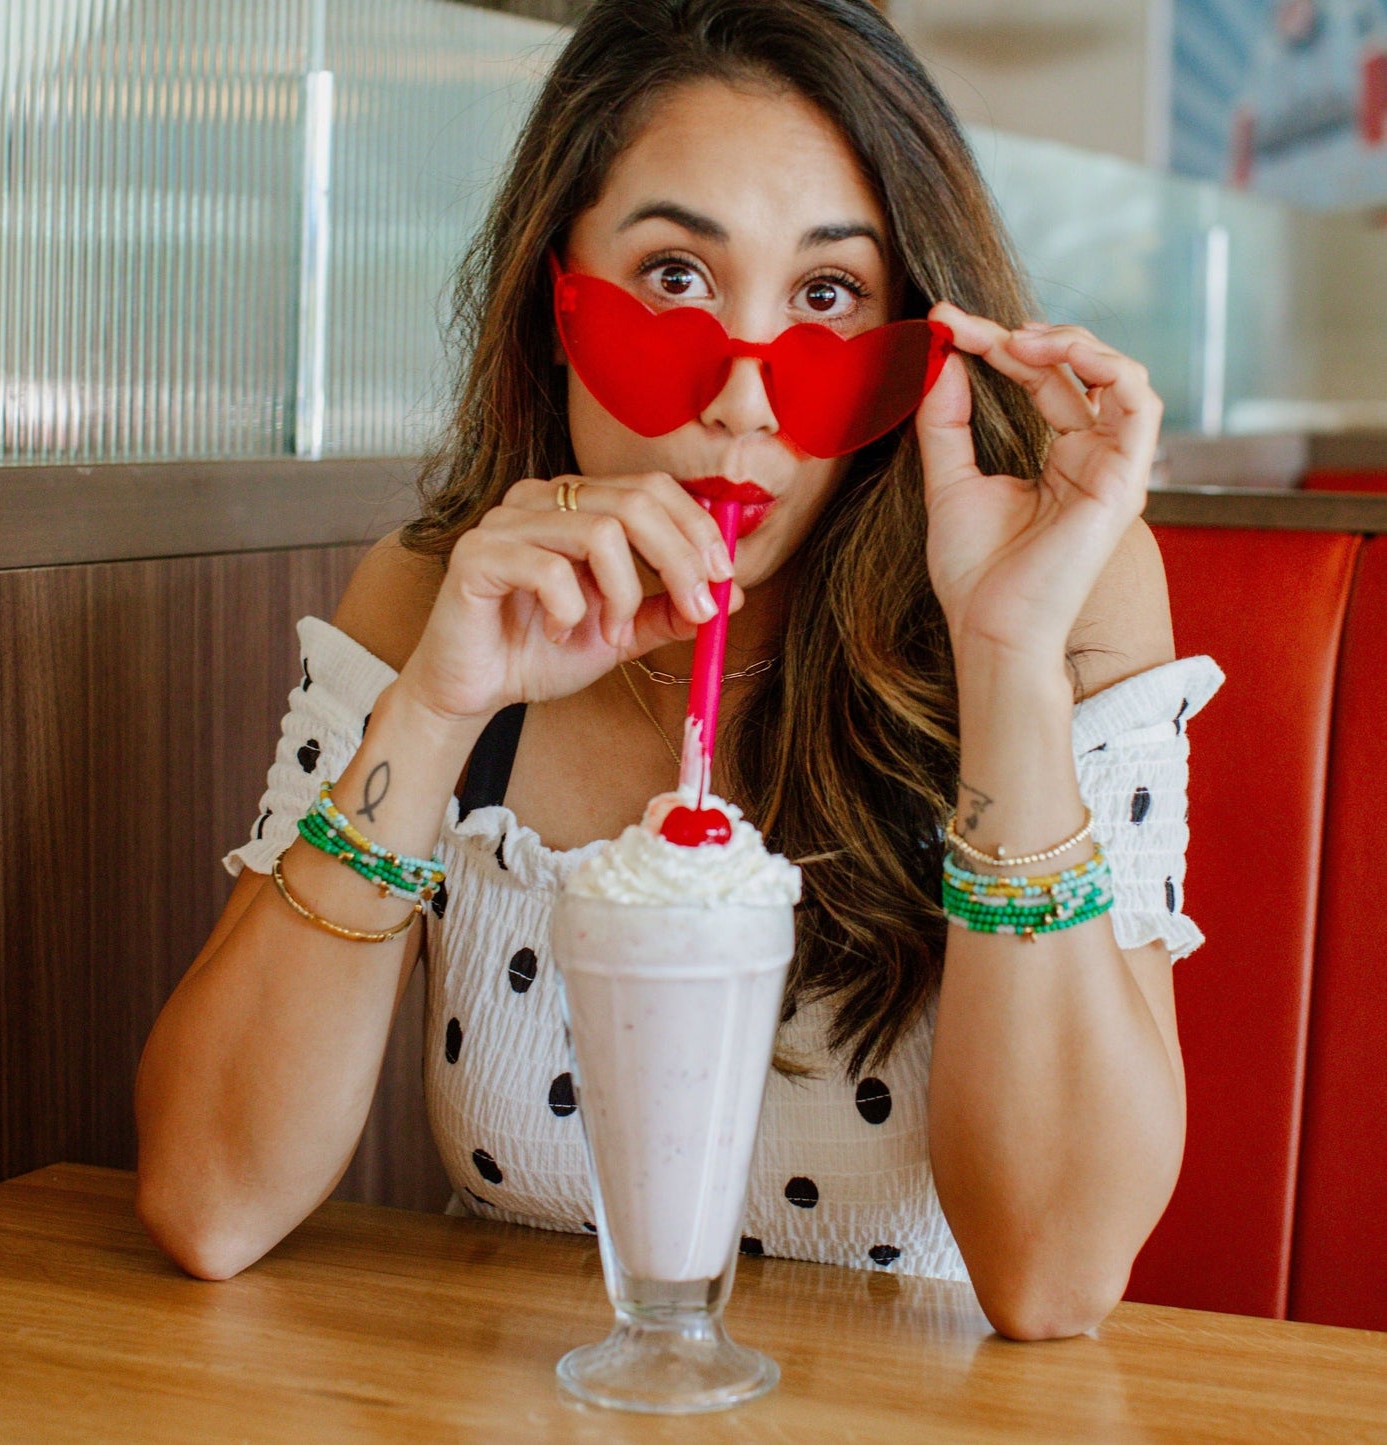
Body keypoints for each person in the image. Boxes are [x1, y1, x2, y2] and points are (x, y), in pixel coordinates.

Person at [134, 0, 1223, 1341]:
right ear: (554, 294)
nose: (745, 403)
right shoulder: (436, 598)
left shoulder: (1059, 605)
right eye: (674, 279)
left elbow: (1053, 1277)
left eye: (826, 296)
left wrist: (1003, 666)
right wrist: (430, 709)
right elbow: (210, 1198)